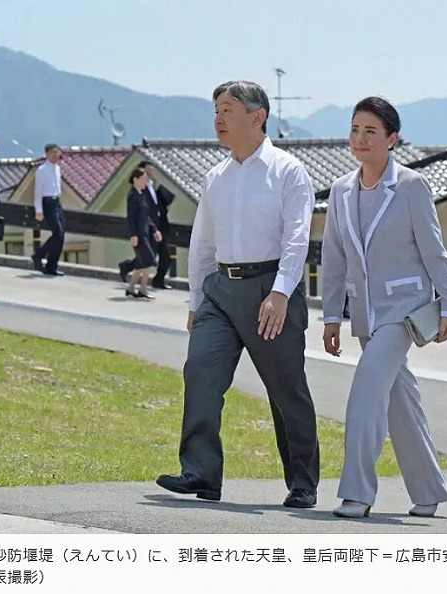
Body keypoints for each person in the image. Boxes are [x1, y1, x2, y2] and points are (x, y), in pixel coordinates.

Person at [156, 81, 320, 508]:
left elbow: (297, 238)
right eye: (216, 111)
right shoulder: (216, 177)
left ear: (257, 116)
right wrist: (195, 302)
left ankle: (303, 481)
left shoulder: (288, 171)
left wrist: (281, 292)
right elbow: (202, 245)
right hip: (220, 293)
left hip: (271, 290)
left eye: (227, 110)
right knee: (200, 372)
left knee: (286, 389)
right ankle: (201, 472)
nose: (218, 119)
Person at [321, 97, 447, 518]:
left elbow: (433, 249)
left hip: (404, 310)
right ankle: (429, 490)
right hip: (366, 313)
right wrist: (332, 316)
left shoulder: (412, 186)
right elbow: (334, 257)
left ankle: (357, 492)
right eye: (355, 130)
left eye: (371, 131)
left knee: (366, 390)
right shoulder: (341, 191)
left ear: (392, 139)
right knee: (402, 401)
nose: (360, 139)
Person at [119, 161, 175, 288]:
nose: (152, 172)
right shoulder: (139, 190)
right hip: (148, 228)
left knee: (163, 255)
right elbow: (137, 213)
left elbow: (155, 206)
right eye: (149, 169)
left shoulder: (152, 186)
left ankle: (156, 280)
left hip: (158, 226)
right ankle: (135, 279)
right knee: (149, 257)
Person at [126, 168, 162, 299]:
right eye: (144, 179)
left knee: (141, 263)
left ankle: (131, 288)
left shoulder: (142, 195)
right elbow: (131, 217)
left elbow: (147, 217)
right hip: (139, 235)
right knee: (148, 261)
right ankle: (143, 289)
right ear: (136, 179)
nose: (146, 182)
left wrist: (154, 230)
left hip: (146, 233)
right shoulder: (132, 196)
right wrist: (133, 234)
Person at [31, 143, 66, 276]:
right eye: (53, 153)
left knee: (61, 235)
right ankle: (39, 254)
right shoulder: (42, 170)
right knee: (58, 233)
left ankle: (52, 266)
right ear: (47, 154)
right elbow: (38, 191)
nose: (56, 155)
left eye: (57, 152)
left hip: (56, 202)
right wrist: (38, 210)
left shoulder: (57, 168)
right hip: (48, 203)